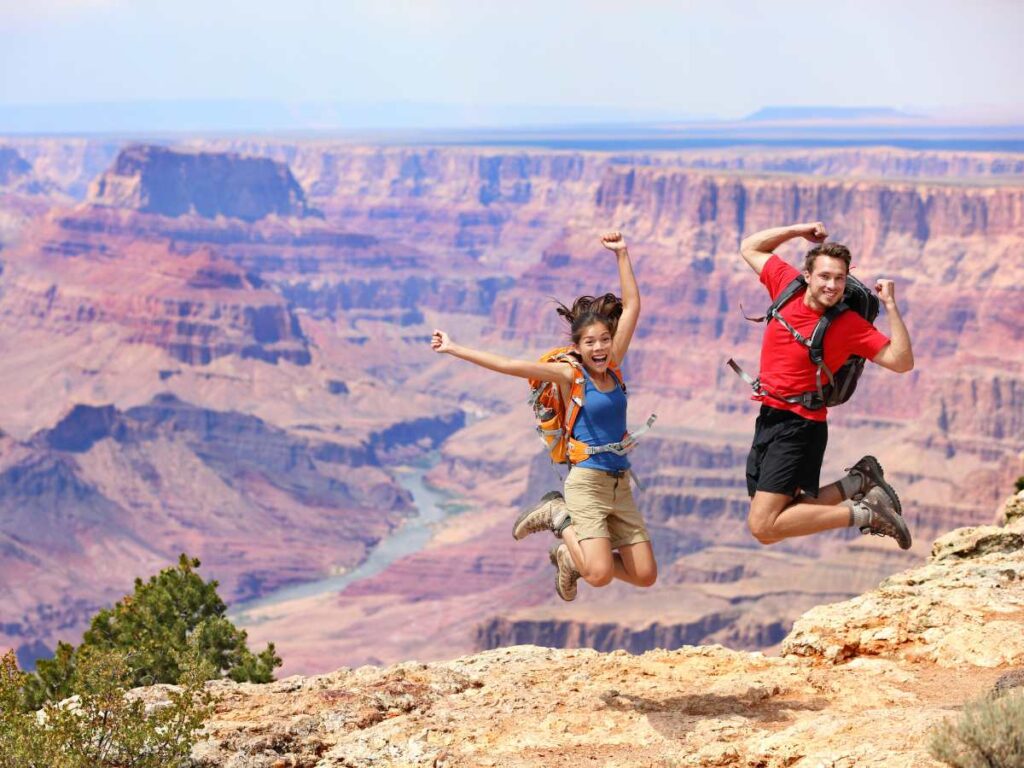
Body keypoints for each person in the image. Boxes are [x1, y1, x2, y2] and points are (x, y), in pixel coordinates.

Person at [431, 232, 657, 601]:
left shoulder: (613, 367)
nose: (599, 347)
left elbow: (632, 306)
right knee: (598, 575)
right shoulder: (572, 376)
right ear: (578, 347)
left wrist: (622, 254)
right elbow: (509, 365)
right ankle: (559, 516)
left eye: (604, 339)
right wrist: (455, 348)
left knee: (645, 575)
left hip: (619, 484)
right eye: (590, 343)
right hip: (586, 483)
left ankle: (572, 555)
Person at [738, 221, 914, 549]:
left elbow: (901, 362)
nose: (832, 285)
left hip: (799, 426)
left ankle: (868, 513)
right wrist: (799, 230)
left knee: (763, 526)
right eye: (824, 276)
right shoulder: (785, 285)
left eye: (839, 278)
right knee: (781, 518)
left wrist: (890, 306)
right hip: (770, 417)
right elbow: (750, 246)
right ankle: (860, 481)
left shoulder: (848, 325)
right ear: (807, 275)